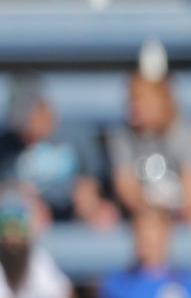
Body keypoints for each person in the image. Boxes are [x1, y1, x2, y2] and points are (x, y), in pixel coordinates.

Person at [0, 74, 109, 228]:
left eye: (27, 119)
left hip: (74, 216)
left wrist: (89, 196)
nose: (23, 128)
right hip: (26, 223)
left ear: (43, 108)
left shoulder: (77, 135)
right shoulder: (7, 144)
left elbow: (94, 182)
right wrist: (23, 198)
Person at [104, 74, 191, 225]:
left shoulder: (183, 131)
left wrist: (177, 210)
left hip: (179, 213)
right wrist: (152, 213)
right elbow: (126, 187)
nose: (134, 107)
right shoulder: (122, 136)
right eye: (131, 100)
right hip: (139, 217)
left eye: (141, 100)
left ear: (162, 101)